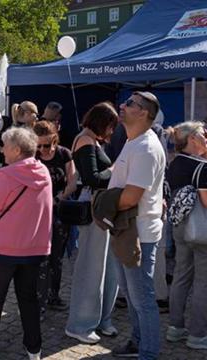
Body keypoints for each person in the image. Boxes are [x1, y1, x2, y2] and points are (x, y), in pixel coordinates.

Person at [0, 127, 52, 360]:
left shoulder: (7, 175)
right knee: (29, 300)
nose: (2, 149)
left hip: (4, 248)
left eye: (6, 145)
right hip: (35, 248)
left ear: (17, 150)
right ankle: (34, 349)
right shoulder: (44, 172)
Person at [164, 121, 207, 350]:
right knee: (205, 282)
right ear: (192, 139)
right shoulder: (202, 168)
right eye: (203, 135)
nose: (206, 138)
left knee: (182, 276)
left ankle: (176, 328)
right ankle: (197, 335)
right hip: (204, 231)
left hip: (181, 228)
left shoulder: (176, 163)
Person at [109, 92, 166, 359]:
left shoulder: (145, 147)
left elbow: (131, 196)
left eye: (130, 104)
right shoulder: (134, 141)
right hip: (126, 229)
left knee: (142, 298)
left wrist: (102, 204)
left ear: (143, 113)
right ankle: (138, 342)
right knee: (132, 297)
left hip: (139, 233)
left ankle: (148, 352)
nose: (122, 106)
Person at [65, 102, 120, 344]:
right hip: (93, 212)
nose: (111, 132)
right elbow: (93, 178)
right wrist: (117, 169)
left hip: (102, 210)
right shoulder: (85, 141)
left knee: (107, 268)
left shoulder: (92, 141)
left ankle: (101, 320)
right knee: (91, 268)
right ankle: (80, 324)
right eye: (110, 126)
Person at [32, 121, 77, 315]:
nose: (42, 150)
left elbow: (73, 180)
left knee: (56, 258)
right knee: (40, 258)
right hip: (37, 214)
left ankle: (54, 296)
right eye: (38, 145)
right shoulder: (33, 155)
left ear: (54, 141)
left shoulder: (64, 154)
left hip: (59, 212)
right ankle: (37, 298)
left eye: (46, 145)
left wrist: (60, 196)